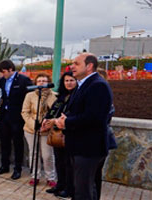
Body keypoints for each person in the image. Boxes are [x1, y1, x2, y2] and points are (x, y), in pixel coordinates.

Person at [42, 53, 113, 200]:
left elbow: (94, 118)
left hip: (88, 148)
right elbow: (78, 111)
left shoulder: (97, 85)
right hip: (79, 146)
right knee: (83, 189)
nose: (72, 66)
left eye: (76, 63)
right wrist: (63, 119)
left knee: (84, 191)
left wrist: (66, 122)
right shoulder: (83, 85)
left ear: (89, 66)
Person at [0, 60, 33, 180]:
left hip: (17, 117)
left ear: (11, 69)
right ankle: (4, 165)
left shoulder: (23, 80)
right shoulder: (2, 81)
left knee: (18, 144)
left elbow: (30, 98)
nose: (2, 74)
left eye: (4, 72)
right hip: (4, 116)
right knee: (4, 142)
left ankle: (17, 169)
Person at [21, 73, 58, 186]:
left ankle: (50, 177)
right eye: (39, 81)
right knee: (34, 154)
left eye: (44, 81)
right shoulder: (30, 95)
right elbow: (25, 112)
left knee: (47, 155)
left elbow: (56, 112)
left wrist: (47, 124)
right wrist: (34, 124)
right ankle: (35, 176)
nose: (41, 83)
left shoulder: (55, 96)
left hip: (47, 130)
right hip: (31, 129)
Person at [44, 72, 77, 198]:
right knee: (59, 161)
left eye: (71, 80)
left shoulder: (77, 96)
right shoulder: (61, 97)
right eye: (66, 81)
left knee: (69, 163)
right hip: (57, 134)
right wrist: (46, 120)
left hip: (69, 134)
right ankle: (60, 185)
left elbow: (71, 114)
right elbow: (53, 110)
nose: (68, 83)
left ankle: (69, 189)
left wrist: (57, 120)